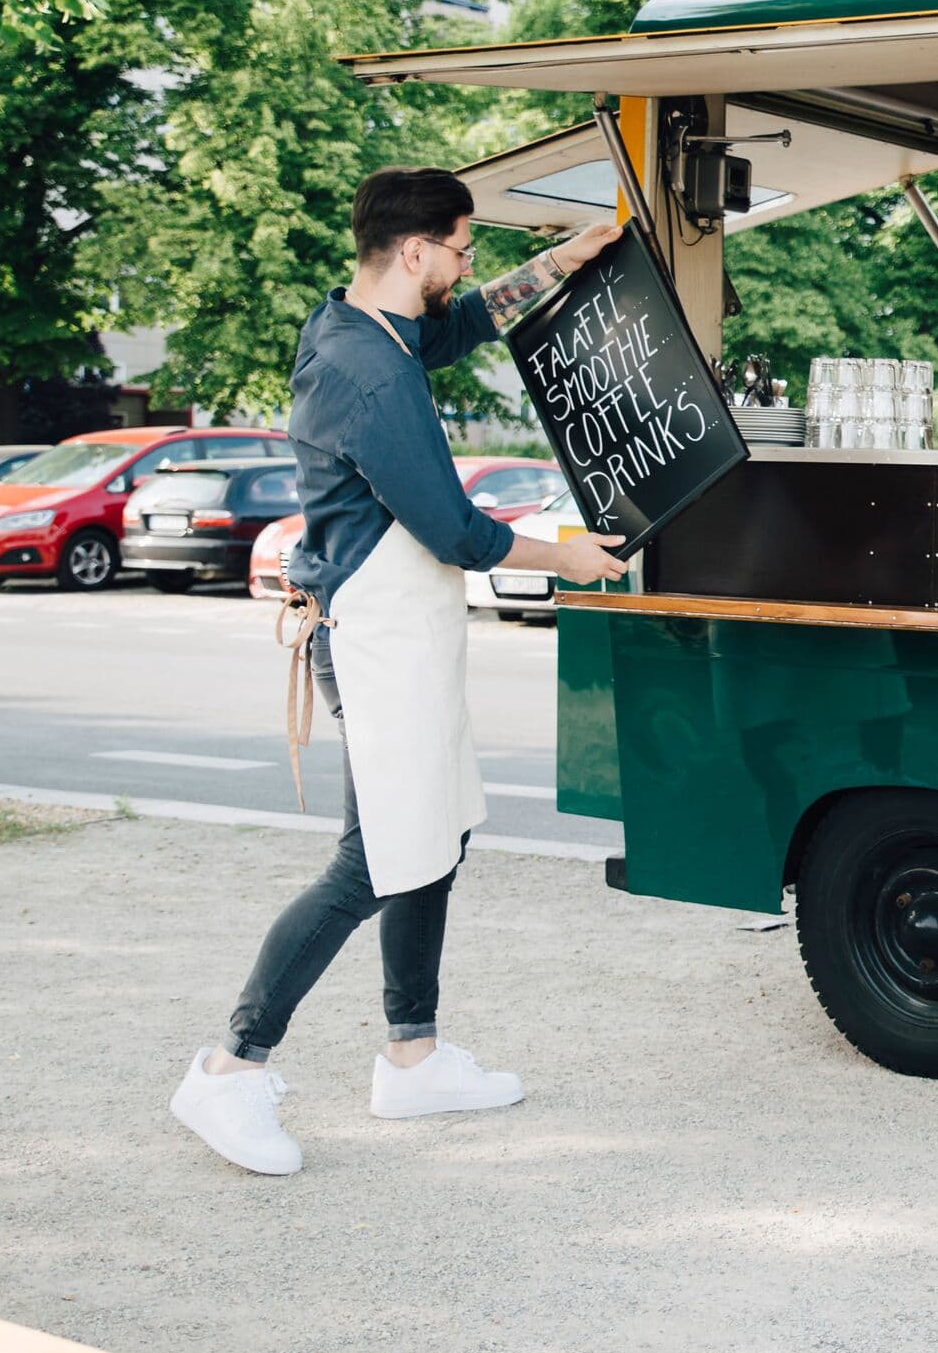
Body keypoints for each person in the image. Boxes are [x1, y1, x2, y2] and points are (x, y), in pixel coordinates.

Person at [171, 166, 635, 1176]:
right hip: (377, 638)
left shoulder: (359, 328)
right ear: (415, 250)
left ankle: (414, 1057)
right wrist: (569, 555)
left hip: (398, 635)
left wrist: (555, 264)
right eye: (462, 248)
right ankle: (229, 1067)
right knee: (376, 860)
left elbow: (460, 326)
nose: (466, 267)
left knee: (433, 835)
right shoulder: (369, 374)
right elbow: (455, 529)